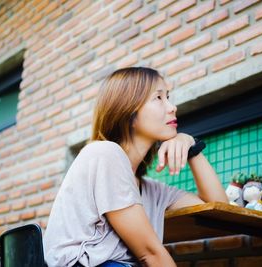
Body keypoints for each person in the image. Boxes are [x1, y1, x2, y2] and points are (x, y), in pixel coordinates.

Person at [43, 67, 228, 267]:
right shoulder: (104, 153)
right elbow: (150, 254)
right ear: (129, 111)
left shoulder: (152, 190)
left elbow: (220, 210)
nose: (172, 107)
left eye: (168, 97)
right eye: (158, 98)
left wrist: (191, 146)